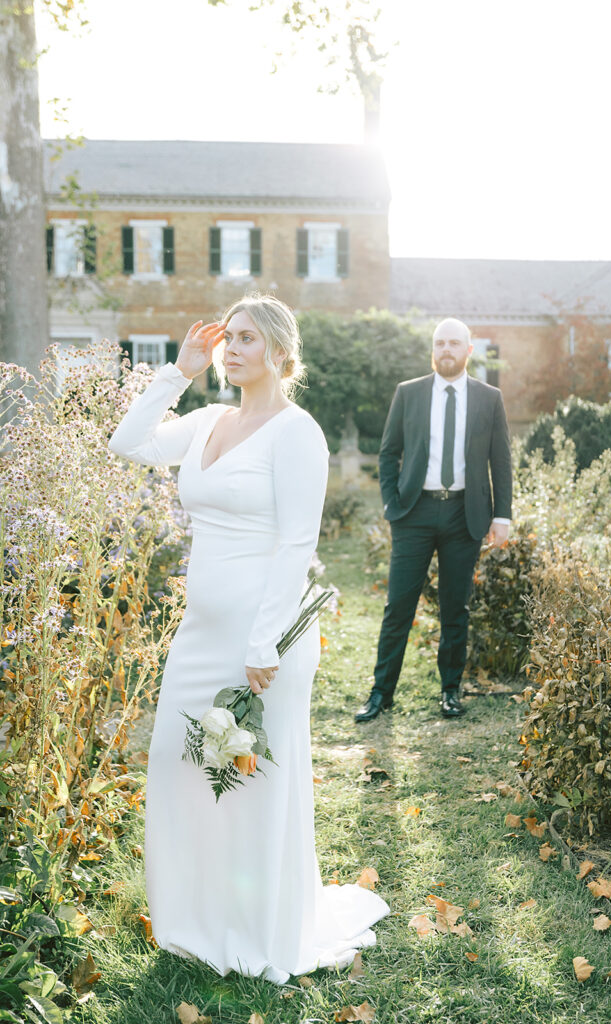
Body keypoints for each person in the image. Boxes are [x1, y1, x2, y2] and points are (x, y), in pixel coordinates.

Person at [109, 294, 388, 983]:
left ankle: (257, 927)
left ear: (280, 354)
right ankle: (196, 918)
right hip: (200, 631)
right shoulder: (206, 419)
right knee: (182, 764)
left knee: (250, 779)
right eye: (227, 337)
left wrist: (265, 643)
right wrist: (177, 373)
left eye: (247, 340)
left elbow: (296, 540)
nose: (231, 349)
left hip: (261, 643)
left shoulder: (297, 433)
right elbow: (126, 444)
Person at [356, 317, 512, 723]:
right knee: (398, 607)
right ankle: (381, 693)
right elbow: (388, 454)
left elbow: (502, 461)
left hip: (466, 515)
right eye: (440, 343)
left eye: (454, 343)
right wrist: (393, 504)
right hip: (414, 514)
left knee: (454, 608)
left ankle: (450, 692)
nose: (446, 349)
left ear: (468, 351)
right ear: (433, 349)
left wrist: (503, 516)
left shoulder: (488, 397)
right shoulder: (408, 394)